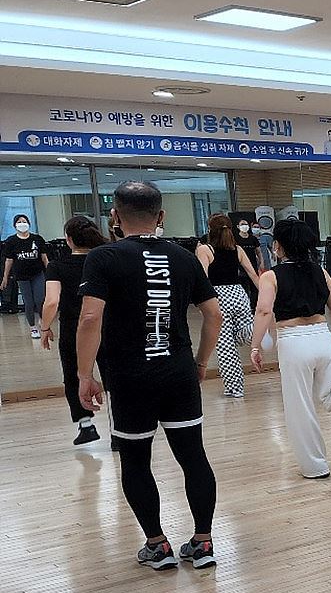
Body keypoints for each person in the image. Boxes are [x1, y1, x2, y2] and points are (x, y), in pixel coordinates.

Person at [75, 180, 224, 569]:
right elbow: (213, 314)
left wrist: (84, 374)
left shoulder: (103, 257)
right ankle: (203, 542)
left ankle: (157, 545)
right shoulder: (185, 257)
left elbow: (90, 317)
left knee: (136, 460)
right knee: (193, 456)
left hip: (130, 378)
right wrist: (201, 362)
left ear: (114, 216)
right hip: (178, 374)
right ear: (161, 216)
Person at [249, 219, 331, 480]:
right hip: (323, 337)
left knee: (299, 408)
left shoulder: (270, 276)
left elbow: (264, 311)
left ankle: (315, 467)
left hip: (293, 341)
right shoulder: (321, 272)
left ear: (277, 246)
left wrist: (255, 346)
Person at [39, 216, 108, 444]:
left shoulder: (57, 266)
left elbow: (51, 301)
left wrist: (45, 327)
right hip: (107, 326)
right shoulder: (106, 260)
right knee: (114, 376)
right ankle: (119, 429)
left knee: (74, 375)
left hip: (73, 329)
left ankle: (86, 425)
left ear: (68, 240)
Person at [195, 215, 260, 399]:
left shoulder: (205, 250)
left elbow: (202, 279)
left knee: (225, 345)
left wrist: (203, 303)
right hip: (239, 294)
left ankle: (234, 388)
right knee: (243, 330)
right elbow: (253, 275)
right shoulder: (237, 249)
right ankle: (258, 333)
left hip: (218, 297)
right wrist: (267, 298)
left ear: (210, 229)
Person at [2, 214, 50, 338]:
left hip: (37, 273)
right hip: (22, 276)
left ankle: (42, 320)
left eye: (24, 221)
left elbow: (44, 257)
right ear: (15, 225)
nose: (22, 224)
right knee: (29, 302)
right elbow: (9, 260)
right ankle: (33, 327)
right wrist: (5, 277)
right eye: (19, 222)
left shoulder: (37, 239)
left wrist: (50, 272)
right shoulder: (11, 241)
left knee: (40, 299)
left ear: (29, 223)